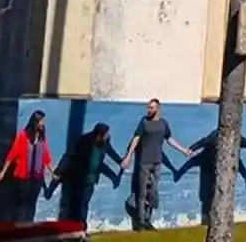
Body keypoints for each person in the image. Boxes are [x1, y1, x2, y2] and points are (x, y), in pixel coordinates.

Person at [122, 98, 192, 230]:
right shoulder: (144, 122)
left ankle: (148, 219)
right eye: (148, 108)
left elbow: (169, 139)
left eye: (151, 108)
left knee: (153, 192)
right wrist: (128, 156)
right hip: (144, 162)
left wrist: (183, 150)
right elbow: (136, 138)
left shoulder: (163, 124)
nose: (148, 110)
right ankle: (140, 221)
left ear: (158, 109)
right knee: (141, 192)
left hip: (157, 162)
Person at [0, 110, 53, 222]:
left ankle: (28, 226)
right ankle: (20, 226)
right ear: (35, 122)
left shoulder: (42, 137)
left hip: (37, 178)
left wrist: (52, 171)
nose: (43, 124)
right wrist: (2, 173)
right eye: (42, 121)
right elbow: (12, 155)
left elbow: (46, 155)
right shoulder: (22, 136)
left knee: (32, 205)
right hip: (23, 178)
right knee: (23, 206)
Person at [53, 123, 111, 226]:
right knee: (72, 205)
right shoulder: (84, 141)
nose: (108, 136)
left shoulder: (103, 145)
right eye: (106, 134)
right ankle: (67, 226)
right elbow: (69, 156)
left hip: (90, 180)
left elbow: (102, 162)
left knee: (84, 204)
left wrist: (114, 172)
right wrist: (59, 171)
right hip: (77, 178)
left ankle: (81, 226)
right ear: (99, 135)